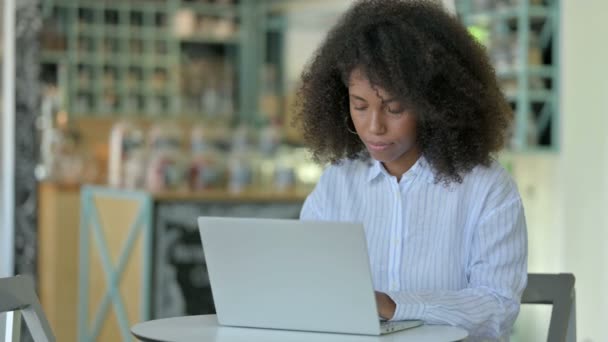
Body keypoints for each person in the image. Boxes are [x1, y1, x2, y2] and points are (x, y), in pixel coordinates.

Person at [295, 0, 528, 340]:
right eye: (359, 105)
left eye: (394, 108)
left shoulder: (488, 189)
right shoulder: (337, 184)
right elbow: (306, 284)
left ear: (434, 103)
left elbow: (497, 306)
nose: (374, 126)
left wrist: (396, 305)